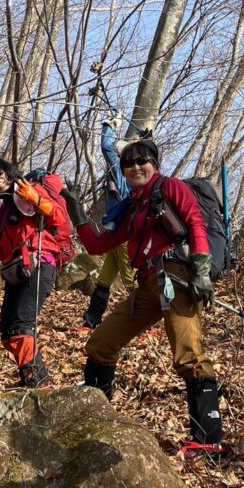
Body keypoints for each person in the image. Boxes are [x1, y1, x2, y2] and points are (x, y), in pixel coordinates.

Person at [62, 137, 228, 460]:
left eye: (142, 161)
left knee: (189, 355)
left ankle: (209, 442)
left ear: (155, 164)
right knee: (100, 344)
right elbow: (98, 245)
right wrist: (77, 213)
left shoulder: (171, 187)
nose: (136, 167)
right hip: (148, 284)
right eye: (129, 163)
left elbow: (195, 222)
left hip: (177, 277)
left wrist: (201, 268)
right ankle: (95, 420)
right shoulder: (133, 206)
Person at [0, 158, 61, 388]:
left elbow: (58, 217)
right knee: (6, 332)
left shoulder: (28, 189)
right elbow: (3, 252)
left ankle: (40, 384)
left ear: (7, 171)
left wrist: (34, 198)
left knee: (22, 327)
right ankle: (30, 379)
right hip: (16, 270)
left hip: (40, 263)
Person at [80, 115, 136, 329]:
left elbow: (106, 147)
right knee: (104, 279)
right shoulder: (132, 177)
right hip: (116, 234)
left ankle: (143, 325)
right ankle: (91, 321)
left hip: (123, 235)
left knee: (130, 279)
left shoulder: (121, 171)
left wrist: (108, 125)